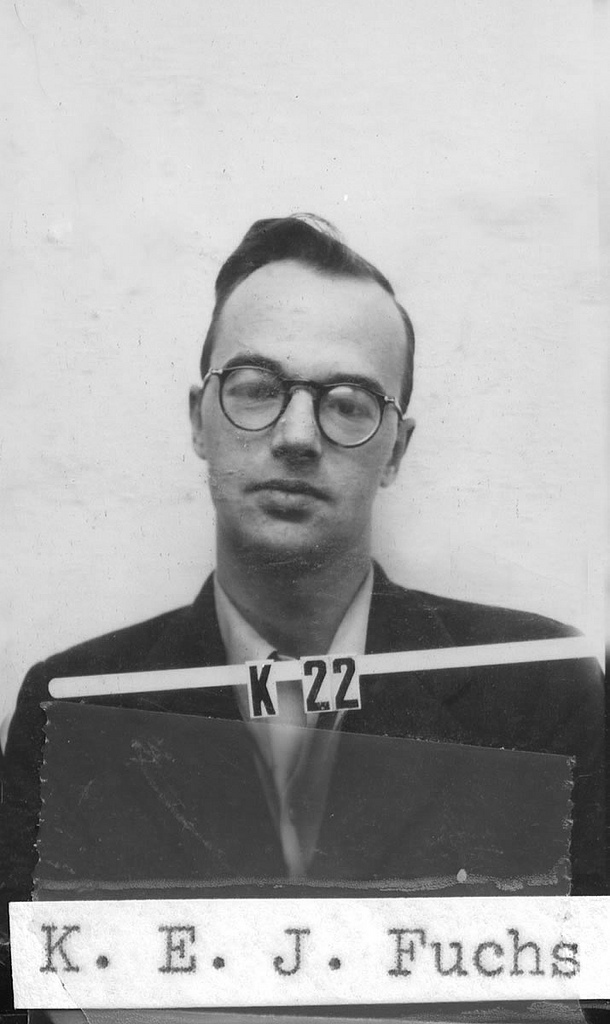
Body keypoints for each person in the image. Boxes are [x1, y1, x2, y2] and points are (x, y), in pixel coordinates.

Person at [2, 215, 604, 912]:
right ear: (199, 421)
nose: (296, 436)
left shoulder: (541, 689)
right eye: (257, 387)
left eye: (347, 403)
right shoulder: (72, 707)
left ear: (397, 451)